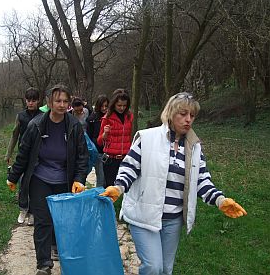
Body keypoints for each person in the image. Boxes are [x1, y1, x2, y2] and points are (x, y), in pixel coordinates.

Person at [101, 92, 247, 275]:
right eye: (183, 114)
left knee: (166, 270)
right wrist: (118, 187)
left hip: (173, 220)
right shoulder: (147, 138)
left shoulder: (194, 147)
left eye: (192, 116)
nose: (188, 120)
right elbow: (130, 167)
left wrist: (220, 200)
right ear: (170, 113)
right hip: (144, 216)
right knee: (154, 267)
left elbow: (201, 180)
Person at [6, 84, 88, 275]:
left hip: (64, 180)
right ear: (49, 102)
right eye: (57, 101)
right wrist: (13, 176)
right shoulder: (36, 125)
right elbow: (24, 154)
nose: (61, 104)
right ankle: (44, 264)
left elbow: (82, 157)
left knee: (60, 220)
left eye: (65, 101)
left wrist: (79, 179)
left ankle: (57, 245)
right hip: (40, 179)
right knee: (42, 220)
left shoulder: (74, 126)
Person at [5, 87, 42, 226]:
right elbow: (14, 135)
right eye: (28, 100)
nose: (31, 103)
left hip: (38, 156)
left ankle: (32, 213)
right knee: (22, 183)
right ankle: (23, 209)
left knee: (35, 184)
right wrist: (8, 153)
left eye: (33, 100)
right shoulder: (21, 116)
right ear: (25, 101)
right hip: (23, 154)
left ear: (38, 101)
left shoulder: (43, 116)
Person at [97, 89, 133, 188]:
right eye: (119, 105)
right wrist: (105, 134)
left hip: (126, 158)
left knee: (126, 187)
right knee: (110, 188)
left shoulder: (130, 117)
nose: (122, 108)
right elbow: (99, 142)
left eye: (124, 106)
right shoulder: (107, 118)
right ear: (114, 104)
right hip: (111, 160)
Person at [86, 94, 109, 187]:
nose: (104, 108)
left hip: (109, 151)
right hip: (98, 151)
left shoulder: (111, 118)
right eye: (102, 106)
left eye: (106, 106)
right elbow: (90, 136)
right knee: (101, 176)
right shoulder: (91, 119)